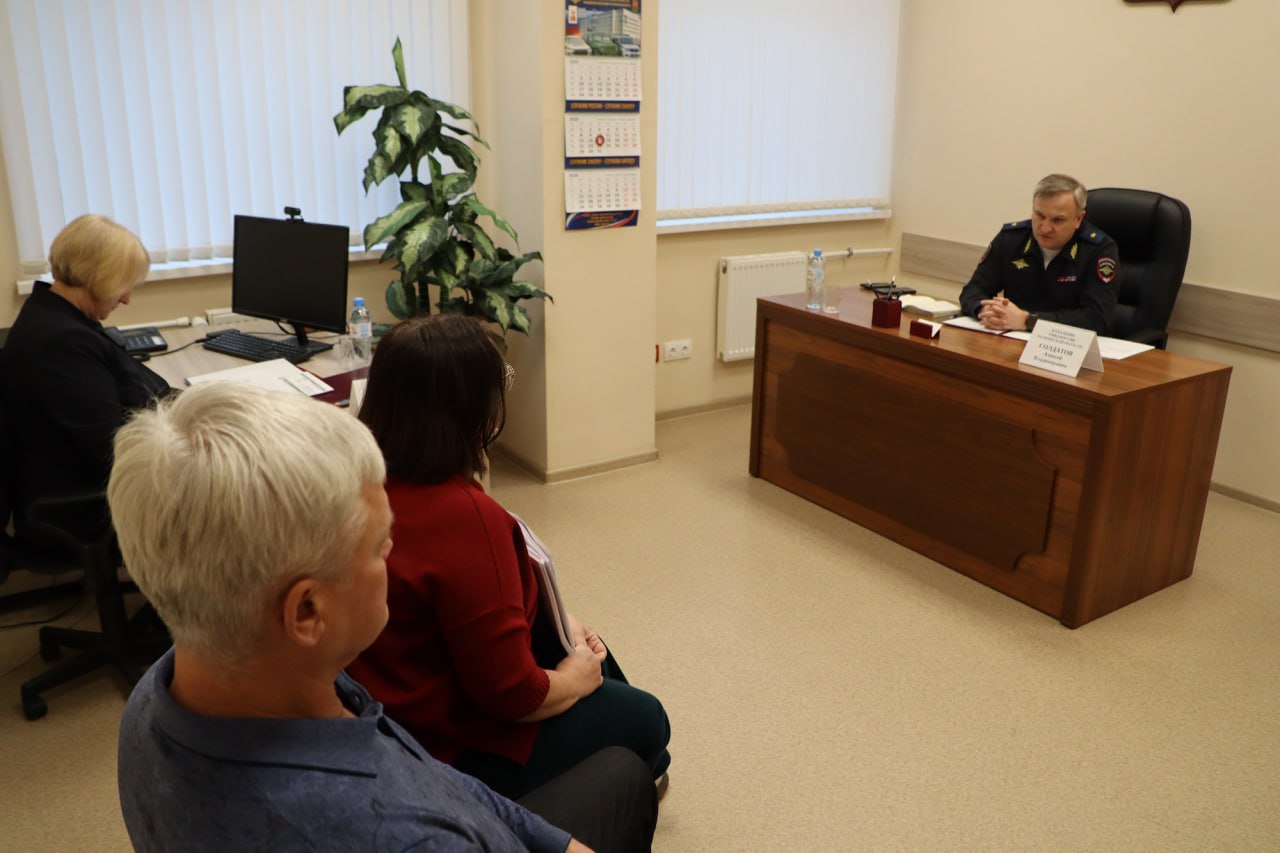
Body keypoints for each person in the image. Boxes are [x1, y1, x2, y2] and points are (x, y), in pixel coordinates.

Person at [109, 381, 657, 853]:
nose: (394, 550)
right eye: (378, 547)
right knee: (627, 772)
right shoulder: (401, 835)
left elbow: (428, 775)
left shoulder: (166, 691)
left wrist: (558, 843)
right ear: (307, 611)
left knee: (622, 776)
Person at [350, 315, 672, 800]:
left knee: (590, 650)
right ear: (473, 406)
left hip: (391, 712)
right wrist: (573, 682)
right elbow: (513, 696)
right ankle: (618, 779)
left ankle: (628, 764)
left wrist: (558, 619)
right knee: (649, 719)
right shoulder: (467, 517)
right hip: (449, 747)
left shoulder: (358, 483)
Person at [0, 214, 170, 544]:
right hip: (89, 505)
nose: (127, 298)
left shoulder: (50, 313)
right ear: (99, 278)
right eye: (123, 285)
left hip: (80, 476)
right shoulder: (62, 342)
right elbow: (111, 450)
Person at [959, 174, 1120, 335]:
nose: (1045, 228)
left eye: (1058, 220)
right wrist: (987, 310)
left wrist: (1028, 321)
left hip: (1064, 345)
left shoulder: (1098, 249)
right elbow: (973, 290)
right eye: (1040, 216)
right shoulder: (1011, 239)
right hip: (1012, 338)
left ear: (1079, 219)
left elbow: (1098, 319)